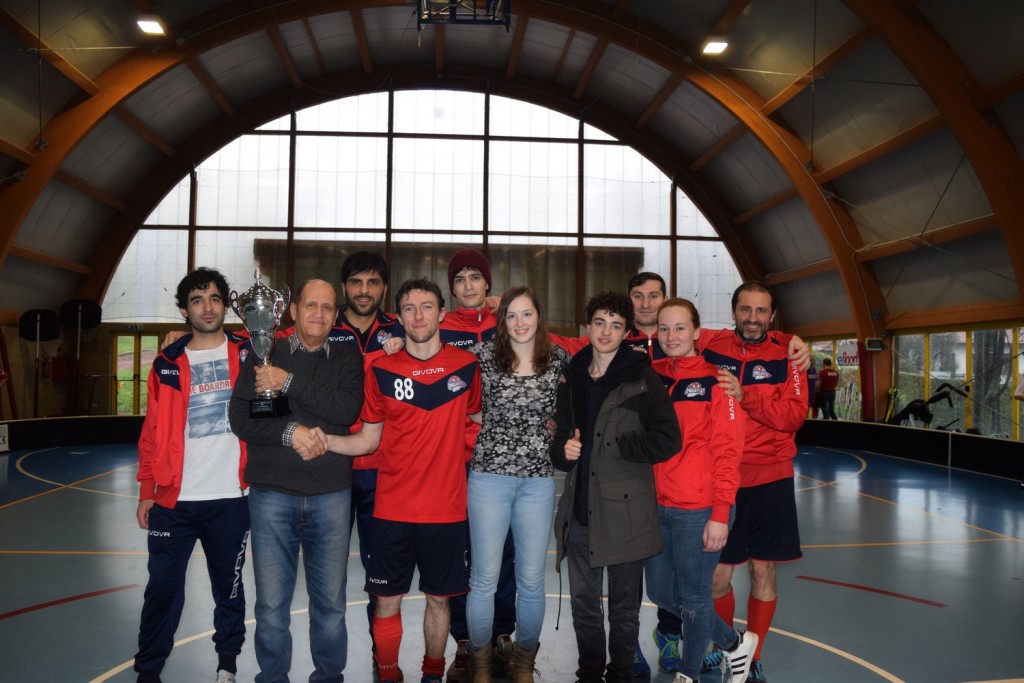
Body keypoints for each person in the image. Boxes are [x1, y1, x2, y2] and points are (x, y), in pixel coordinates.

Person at [316, 278, 482, 683]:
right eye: (409, 308)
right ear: (399, 318)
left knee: (439, 601)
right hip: (392, 510)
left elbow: (479, 421)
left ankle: (432, 675)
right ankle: (388, 674)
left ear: (442, 314)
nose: (418, 316)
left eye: (427, 307)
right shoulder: (381, 369)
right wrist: (325, 441)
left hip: (446, 511)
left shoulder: (467, 367)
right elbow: (368, 439)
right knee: (386, 602)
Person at [229, 279, 364, 683]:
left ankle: (329, 677)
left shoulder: (346, 357)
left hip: (331, 495)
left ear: (336, 315)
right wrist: (292, 432)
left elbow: (345, 409)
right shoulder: (264, 351)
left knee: (331, 605)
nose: (319, 314)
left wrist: (287, 383)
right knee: (271, 607)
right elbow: (243, 418)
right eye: (311, 305)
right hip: (272, 495)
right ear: (293, 310)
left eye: (327, 307)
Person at [550, 290, 682, 683]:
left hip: (628, 513)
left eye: (616, 325)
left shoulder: (642, 377)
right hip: (581, 511)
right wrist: (563, 451)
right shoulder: (571, 377)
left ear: (626, 333)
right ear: (587, 327)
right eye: (600, 323)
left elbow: (668, 439)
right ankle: (589, 673)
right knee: (584, 604)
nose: (606, 331)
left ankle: (620, 674)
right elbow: (560, 442)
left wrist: (625, 445)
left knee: (624, 609)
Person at [134, 267, 251, 683]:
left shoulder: (250, 351)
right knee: (162, 590)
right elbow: (152, 431)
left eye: (215, 298)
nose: (208, 307)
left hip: (231, 498)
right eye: (198, 300)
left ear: (226, 306)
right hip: (173, 501)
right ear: (185, 310)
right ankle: (149, 670)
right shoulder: (166, 362)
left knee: (229, 589)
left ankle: (227, 664)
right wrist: (147, 489)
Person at [698, 282, 808, 683]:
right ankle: (725, 646)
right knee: (717, 576)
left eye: (762, 311)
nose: (753, 318)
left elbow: (793, 416)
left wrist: (746, 397)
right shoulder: (709, 345)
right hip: (722, 478)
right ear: (733, 312)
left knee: (763, 572)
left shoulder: (789, 355)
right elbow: (664, 330)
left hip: (771, 477)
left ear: (772, 316)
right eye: (745, 309)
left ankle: (753, 656)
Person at [644, 298, 758, 683]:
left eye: (680, 328)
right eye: (664, 328)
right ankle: (734, 642)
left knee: (694, 598)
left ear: (696, 332)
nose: (671, 336)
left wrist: (720, 513)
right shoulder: (652, 377)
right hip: (657, 506)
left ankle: (688, 673)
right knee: (661, 592)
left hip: (699, 509)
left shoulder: (718, 382)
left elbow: (729, 453)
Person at [465, 285, 570, 682]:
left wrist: (560, 427)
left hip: (537, 482)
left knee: (531, 580)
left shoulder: (557, 359)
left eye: (527, 314)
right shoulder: (483, 356)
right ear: (502, 320)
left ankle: (523, 662)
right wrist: (394, 343)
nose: (520, 322)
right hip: (489, 479)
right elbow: (442, 368)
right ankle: (479, 663)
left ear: (539, 317)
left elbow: (593, 375)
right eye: (511, 315)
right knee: (483, 580)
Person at [440, 249, 518, 681]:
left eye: (475, 277)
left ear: (488, 284)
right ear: (452, 287)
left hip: (503, 459)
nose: (468, 285)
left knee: (503, 552)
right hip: (455, 460)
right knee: (460, 553)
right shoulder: (439, 326)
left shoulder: (508, 321)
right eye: (460, 278)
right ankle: (465, 640)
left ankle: (502, 633)